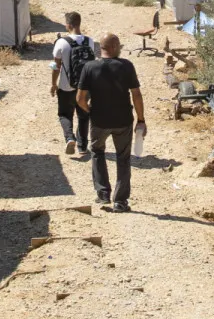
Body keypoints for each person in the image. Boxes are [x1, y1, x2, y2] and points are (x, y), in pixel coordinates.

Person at [74, 33, 145, 212]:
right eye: (119, 45)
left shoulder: (89, 67)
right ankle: (120, 201)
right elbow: (136, 94)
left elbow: (80, 98)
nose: (120, 48)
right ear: (113, 46)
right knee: (123, 158)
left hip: (99, 121)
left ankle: (103, 193)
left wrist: (90, 111)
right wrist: (141, 119)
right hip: (123, 121)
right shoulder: (127, 66)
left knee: (97, 153)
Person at [50, 11, 96, 157]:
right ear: (79, 23)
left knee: (64, 114)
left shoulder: (61, 43)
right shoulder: (90, 41)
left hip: (66, 86)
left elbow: (56, 66)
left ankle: (70, 138)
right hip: (84, 87)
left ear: (67, 25)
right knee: (83, 115)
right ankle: (82, 146)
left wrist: (53, 84)